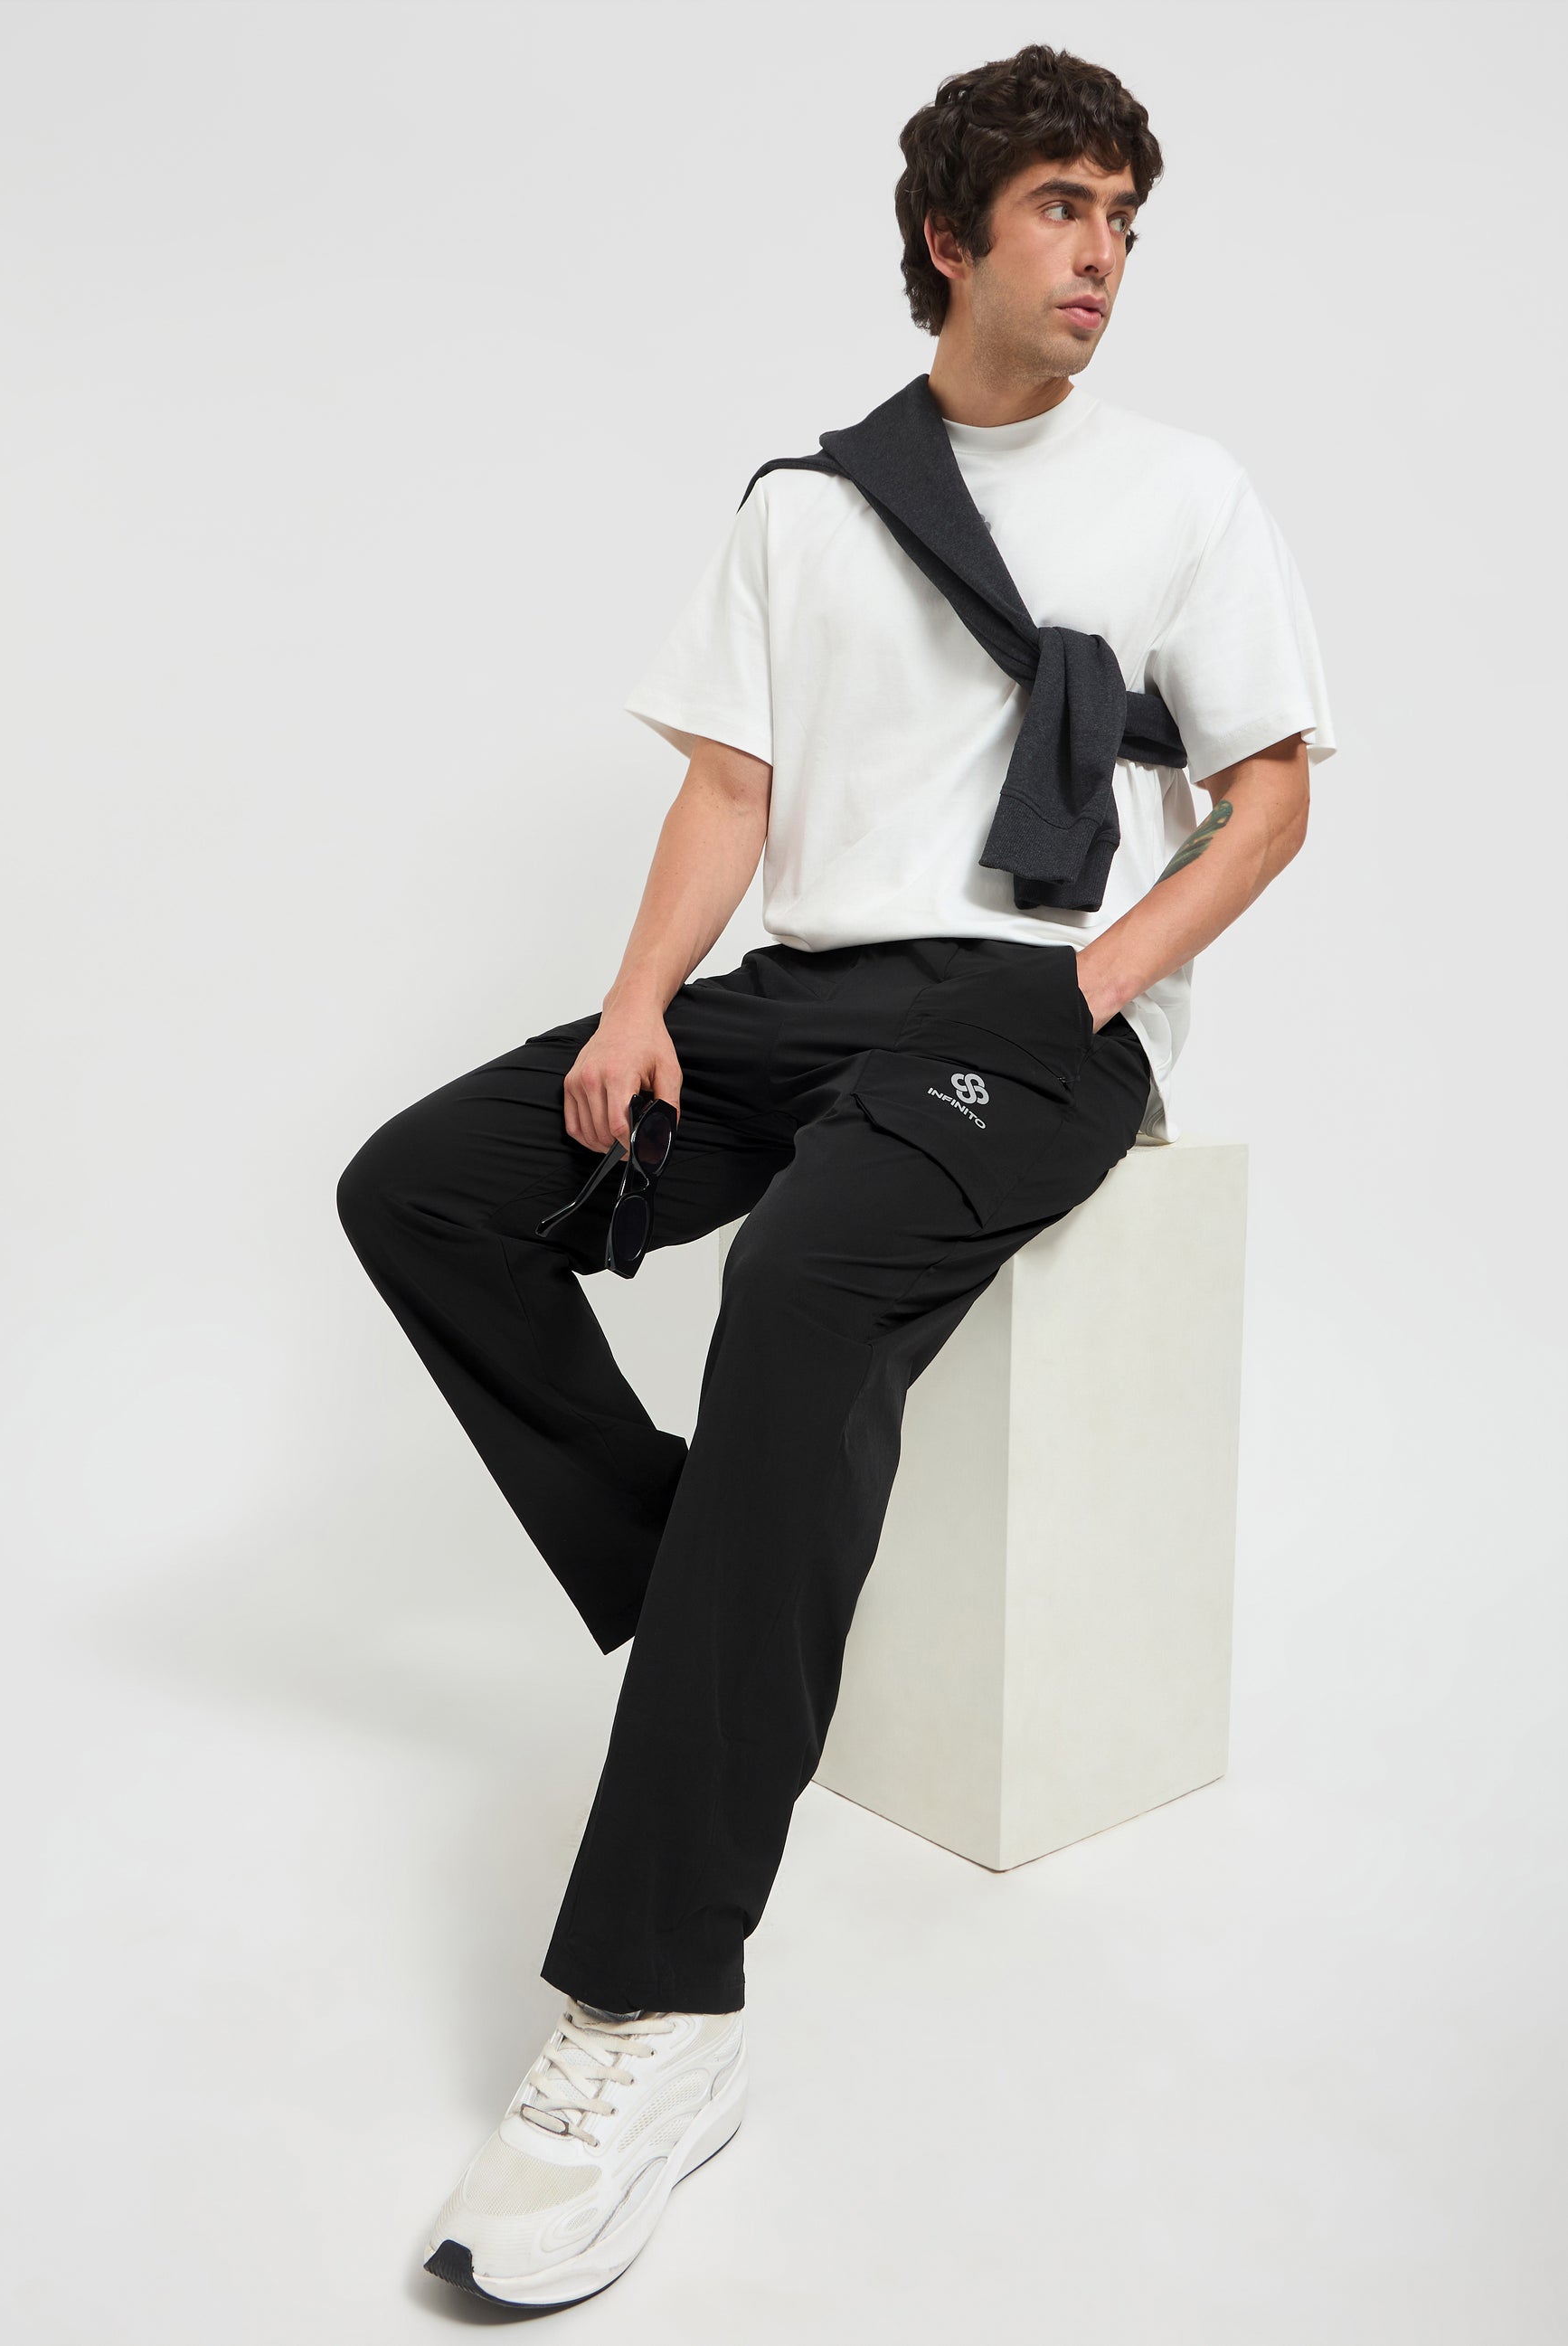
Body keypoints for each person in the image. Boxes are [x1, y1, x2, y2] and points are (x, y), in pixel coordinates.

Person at [337, 43, 1332, 2311]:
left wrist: (1091, 991)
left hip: (1030, 1012)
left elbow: (1268, 796)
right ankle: (705, 1567)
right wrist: (634, 1005)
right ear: (947, 237)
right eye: (1063, 207)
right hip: (799, 993)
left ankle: (656, 2008)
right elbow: (730, 791)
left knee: (794, 1289)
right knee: (425, 1188)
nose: (1102, 255)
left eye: (1124, 219)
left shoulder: (1184, 492)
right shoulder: (808, 505)